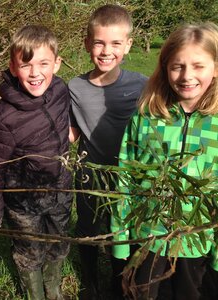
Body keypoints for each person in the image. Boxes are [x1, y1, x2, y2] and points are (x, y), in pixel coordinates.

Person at [111, 22, 218, 299]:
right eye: (177, 66)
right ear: (165, 67)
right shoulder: (147, 116)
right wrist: (122, 240)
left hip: (197, 242)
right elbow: (125, 177)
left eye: (198, 66)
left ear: (216, 68)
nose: (186, 76)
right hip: (148, 237)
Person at [0, 24, 73, 300]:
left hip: (61, 188)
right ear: (13, 67)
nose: (35, 73)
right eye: (26, 64)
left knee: (59, 240)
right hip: (23, 198)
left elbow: (65, 121)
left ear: (57, 64)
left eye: (44, 63)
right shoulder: (4, 116)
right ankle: (35, 293)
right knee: (29, 249)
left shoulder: (60, 90)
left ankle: (53, 286)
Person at [68, 4, 147, 299]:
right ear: (88, 43)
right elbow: (71, 132)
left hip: (131, 177)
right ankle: (90, 283)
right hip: (91, 175)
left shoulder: (141, 84)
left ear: (127, 45)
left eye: (115, 43)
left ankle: (120, 283)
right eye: (99, 42)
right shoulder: (75, 87)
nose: (106, 51)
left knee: (123, 232)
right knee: (88, 230)